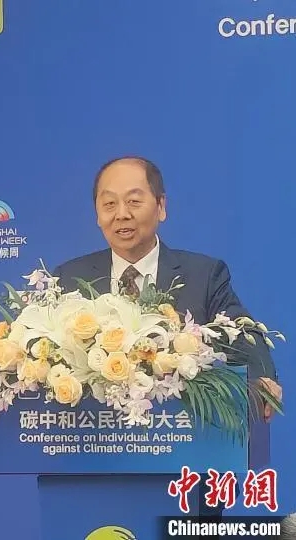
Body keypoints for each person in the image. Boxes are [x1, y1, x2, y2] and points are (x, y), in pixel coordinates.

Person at [52, 156, 282, 522]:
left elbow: (242, 332)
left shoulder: (203, 274)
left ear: (161, 207)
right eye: (109, 204)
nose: (121, 214)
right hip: (90, 462)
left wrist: (261, 378)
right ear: (97, 214)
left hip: (184, 467)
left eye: (134, 201)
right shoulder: (68, 277)